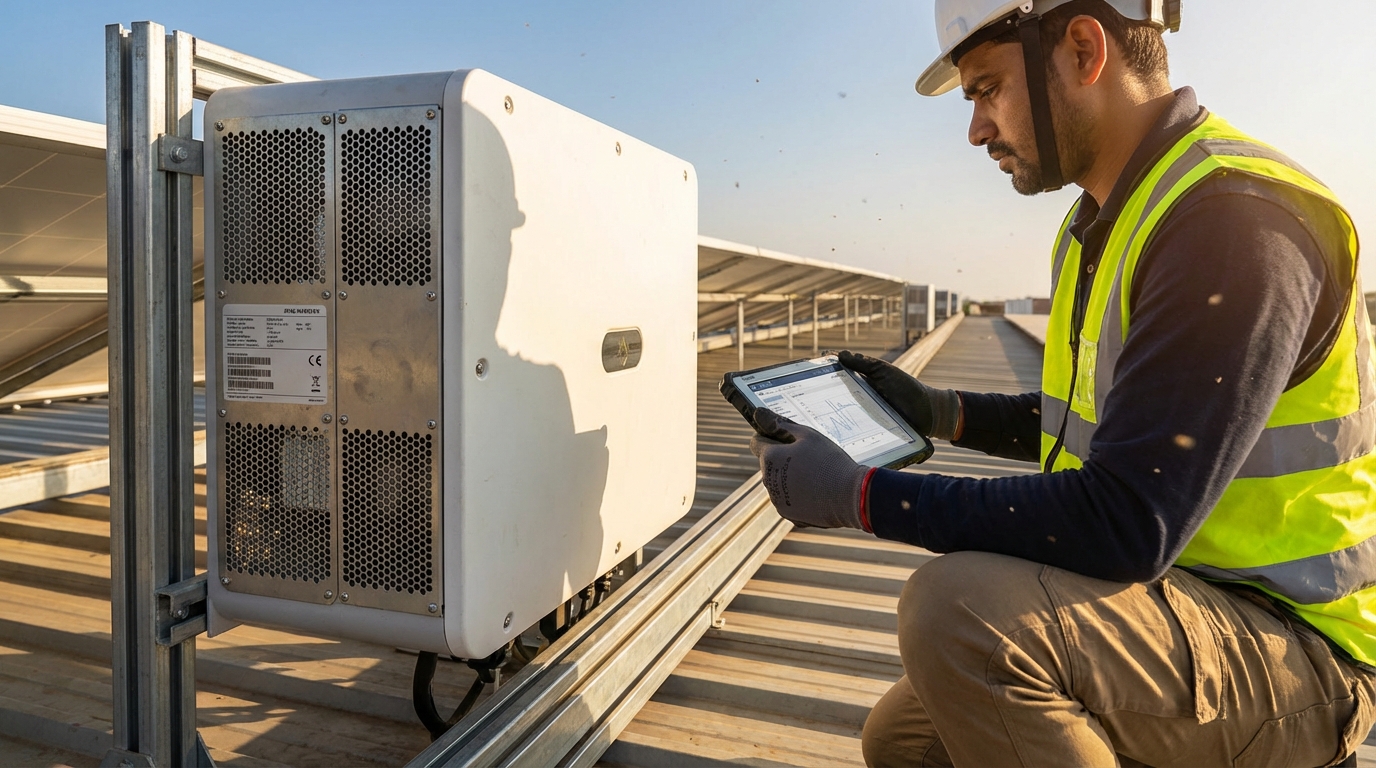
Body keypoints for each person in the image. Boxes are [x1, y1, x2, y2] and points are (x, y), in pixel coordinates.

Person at [747, 1, 1376, 765]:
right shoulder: (1102, 218)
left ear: (1082, 49)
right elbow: (1116, 424)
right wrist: (942, 412)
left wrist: (858, 495)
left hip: (1294, 646)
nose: (976, 130)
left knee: (959, 614)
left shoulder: (1232, 221)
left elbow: (1126, 520)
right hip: (1183, 600)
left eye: (986, 90)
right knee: (905, 743)